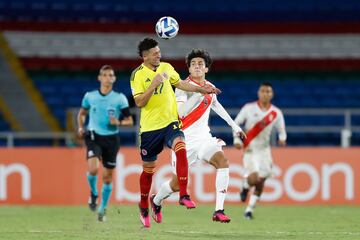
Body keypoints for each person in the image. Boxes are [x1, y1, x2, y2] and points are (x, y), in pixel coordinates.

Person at [130, 38, 220, 228]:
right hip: (149, 129)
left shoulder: (167, 67)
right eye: (155, 53)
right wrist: (153, 84)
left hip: (170, 122)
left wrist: (202, 89)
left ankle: (184, 194)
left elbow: (181, 84)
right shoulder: (137, 75)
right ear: (145, 56)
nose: (159, 55)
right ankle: (144, 206)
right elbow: (139, 103)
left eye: (159, 52)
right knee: (148, 171)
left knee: (180, 146)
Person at [150, 49, 246, 224]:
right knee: (176, 185)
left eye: (200, 64)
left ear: (206, 69)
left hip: (204, 140)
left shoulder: (209, 86)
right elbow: (181, 113)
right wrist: (200, 92)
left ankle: (219, 210)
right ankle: (156, 201)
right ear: (189, 68)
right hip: (183, 141)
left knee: (222, 162)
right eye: (193, 64)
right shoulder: (182, 88)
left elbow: (216, 106)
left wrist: (235, 127)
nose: (197, 66)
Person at [77, 65, 133, 222]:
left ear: (114, 79)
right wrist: (81, 127)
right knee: (93, 169)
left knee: (108, 178)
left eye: (111, 75)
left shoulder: (119, 98)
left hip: (111, 139)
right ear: (99, 78)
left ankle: (102, 209)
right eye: (105, 75)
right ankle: (94, 193)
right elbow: (82, 114)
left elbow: (130, 120)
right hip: (93, 135)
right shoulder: (90, 96)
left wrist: (119, 122)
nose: (108, 77)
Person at [233, 82, 286, 220]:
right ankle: (245, 186)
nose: (265, 94)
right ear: (258, 93)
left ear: (272, 94)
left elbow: (281, 130)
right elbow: (236, 124)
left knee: (261, 182)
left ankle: (249, 210)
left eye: (268, 91)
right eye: (263, 91)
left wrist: (282, 138)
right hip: (250, 148)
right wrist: (237, 141)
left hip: (264, 151)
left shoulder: (276, 113)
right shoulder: (248, 108)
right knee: (254, 178)